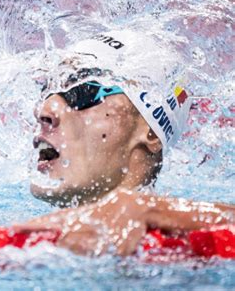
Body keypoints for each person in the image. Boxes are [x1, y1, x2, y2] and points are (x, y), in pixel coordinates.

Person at [14, 30, 235, 256]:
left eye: (82, 91)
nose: (43, 111)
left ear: (150, 132)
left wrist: (155, 209)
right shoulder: (20, 248)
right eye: (46, 90)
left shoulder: (193, 256)